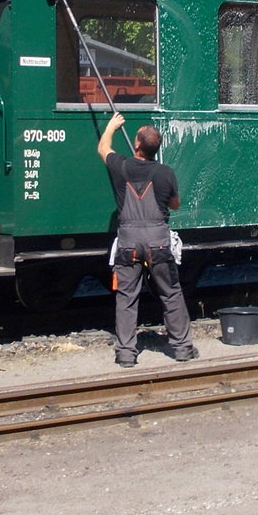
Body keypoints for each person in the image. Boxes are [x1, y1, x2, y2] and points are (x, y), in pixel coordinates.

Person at [98, 112, 198, 368]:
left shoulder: (121, 167)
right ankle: (183, 348)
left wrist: (111, 126)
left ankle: (126, 354)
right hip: (158, 242)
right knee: (171, 293)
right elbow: (174, 205)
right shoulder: (165, 172)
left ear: (138, 145)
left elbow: (103, 148)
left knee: (127, 297)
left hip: (128, 242)